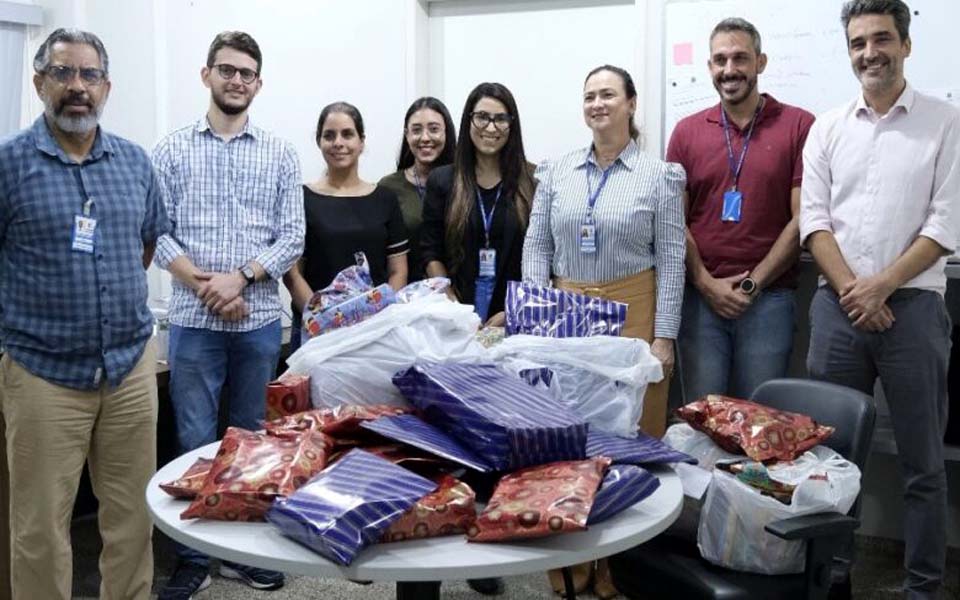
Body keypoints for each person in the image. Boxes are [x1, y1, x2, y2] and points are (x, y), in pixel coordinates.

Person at [0, 28, 169, 600]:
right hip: (43, 374)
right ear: (39, 81)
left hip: (128, 368)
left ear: (106, 86)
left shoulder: (134, 163)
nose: (77, 87)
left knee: (132, 521)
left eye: (89, 75)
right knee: (41, 530)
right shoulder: (9, 165)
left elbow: (144, 246)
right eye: (64, 73)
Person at [800, 1, 959, 598]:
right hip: (836, 309)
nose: (871, 52)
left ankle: (923, 587)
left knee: (923, 464)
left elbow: (945, 225)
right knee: (831, 460)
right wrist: (853, 289)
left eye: (882, 39)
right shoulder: (827, 127)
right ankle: (832, 576)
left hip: (913, 311)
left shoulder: (946, 122)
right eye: (859, 42)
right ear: (849, 50)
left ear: (906, 45)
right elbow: (813, 221)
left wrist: (882, 285)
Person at [522, 64, 685, 598]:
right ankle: (568, 567)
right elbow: (537, 246)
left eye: (608, 94)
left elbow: (673, 260)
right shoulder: (557, 171)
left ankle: (623, 568)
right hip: (566, 315)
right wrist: (535, 315)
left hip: (633, 314)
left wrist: (664, 337)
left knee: (631, 440)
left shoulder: (659, 175)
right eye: (589, 95)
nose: (597, 104)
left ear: (632, 103)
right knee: (566, 439)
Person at [152, 31, 304, 599]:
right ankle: (192, 556)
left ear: (258, 84)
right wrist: (205, 284)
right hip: (193, 321)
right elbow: (157, 231)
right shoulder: (170, 150)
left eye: (246, 73)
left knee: (252, 440)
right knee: (192, 440)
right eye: (227, 70)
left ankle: (242, 549)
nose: (236, 80)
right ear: (206, 75)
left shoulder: (281, 153)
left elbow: (292, 236)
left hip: (259, 318)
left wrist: (240, 278)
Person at [667, 18, 815, 402]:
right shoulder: (686, 132)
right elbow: (673, 221)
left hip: (769, 301)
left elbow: (803, 219)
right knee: (703, 418)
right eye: (720, 60)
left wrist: (752, 285)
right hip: (701, 302)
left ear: (760, 62)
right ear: (709, 67)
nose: (729, 70)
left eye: (740, 58)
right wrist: (705, 283)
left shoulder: (799, 125)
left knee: (759, 421)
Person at [284, 101, 409, 350]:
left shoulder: (385, 198)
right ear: (319, 142)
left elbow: (398, 272)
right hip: (316, 333)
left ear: (361, 142)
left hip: (375, 331)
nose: (338, 142)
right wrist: (322, 319)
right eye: (329, 135)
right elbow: (292, 273)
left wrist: (377, 316)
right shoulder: (300, 198)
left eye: (347, 134)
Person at [421, 82, 536, 328]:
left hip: (514, 316)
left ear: (512, 124)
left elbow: (542, 257)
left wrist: (514, 311)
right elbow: (431, 250)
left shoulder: (532, 182)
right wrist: (447, 296)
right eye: (482, 117)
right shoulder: (442, 181)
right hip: (456, 315)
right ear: (468, 121)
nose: (491, 127)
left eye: (501, 119)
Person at [379, 96, 457, 282]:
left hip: (458, 296)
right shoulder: (388, 187)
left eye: (434, 129)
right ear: (407, 135)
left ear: (447, 132)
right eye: (416, 130)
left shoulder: (464, 183)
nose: (425, 138)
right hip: (405, 297)